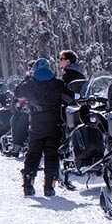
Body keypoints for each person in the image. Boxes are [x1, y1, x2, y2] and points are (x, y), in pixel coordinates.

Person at [15, 58, 73, 197]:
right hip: (54, 124)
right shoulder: (58, 84)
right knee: (51, 155)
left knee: (33, 154)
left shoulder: (30, 84)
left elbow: (17, 92)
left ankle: (28, 185)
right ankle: (49, 187)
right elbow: (70, 98)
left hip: (36, 124)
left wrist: (27, 79)